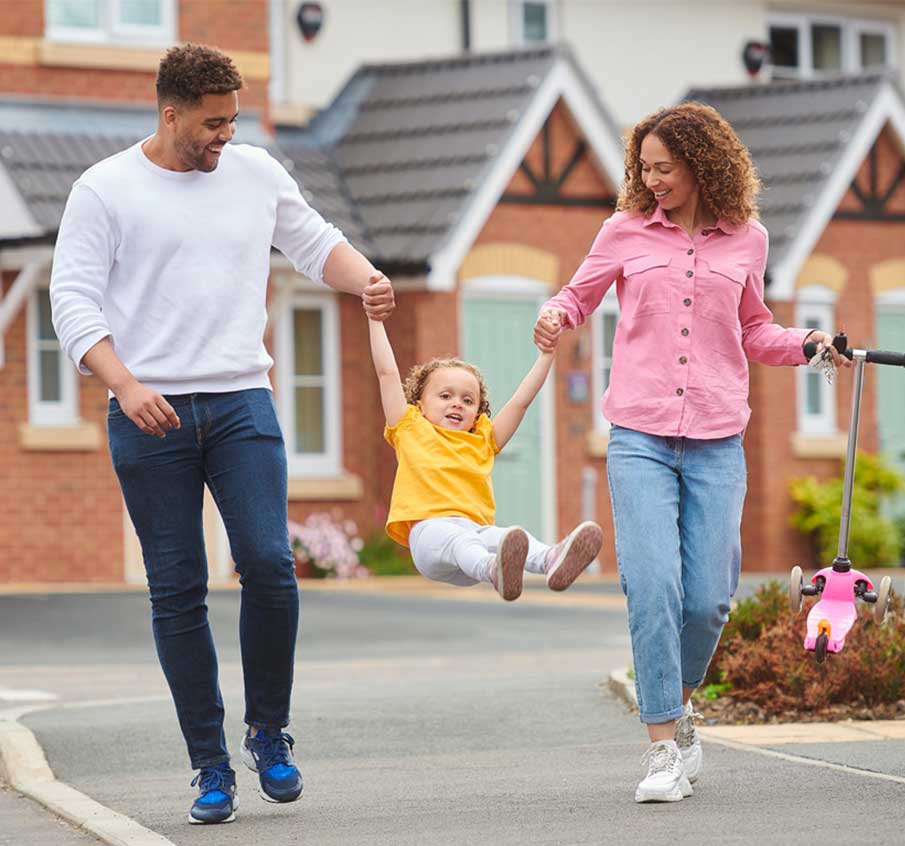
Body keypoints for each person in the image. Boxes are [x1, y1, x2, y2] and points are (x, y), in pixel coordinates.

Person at [48, 44, 395, 825]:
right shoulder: (102, 190)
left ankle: (268, 735)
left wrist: (364, 275)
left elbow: (313, 241)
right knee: (178, 591)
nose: (224, 137)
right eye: (212, 123)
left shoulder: (256, 172)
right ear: (169, 114)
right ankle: (209, 766)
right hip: (150, 412)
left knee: (271, 565)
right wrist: (126, 384)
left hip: (243, 400)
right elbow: (72, 301)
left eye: (233, 121)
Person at [533, 102, 848, 803]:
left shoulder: (748, 239)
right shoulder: (622, 230)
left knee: (707, 601)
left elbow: (755, 328)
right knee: (652, 588)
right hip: (639, 439)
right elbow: (577, 296)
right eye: (643, 168)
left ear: (704, 166)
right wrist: (554, 314)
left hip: (715, 441)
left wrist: (807, 344)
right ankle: (661, 750)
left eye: (664, 169)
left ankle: (677, 708)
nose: (652, 181)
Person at [367, 296, 604, 599]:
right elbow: (386, 373)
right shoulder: (409, 427)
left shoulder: (482, 439)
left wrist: (546, 355)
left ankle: (549, 560)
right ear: (419, 404)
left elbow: (520, 402)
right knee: (461, 542)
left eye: (468, 400)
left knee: (508, 535)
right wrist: (375, 320)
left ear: (477, 410)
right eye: (445, 396)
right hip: (429, 537)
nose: (457, 403)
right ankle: (495, 569)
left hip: (474, 536)